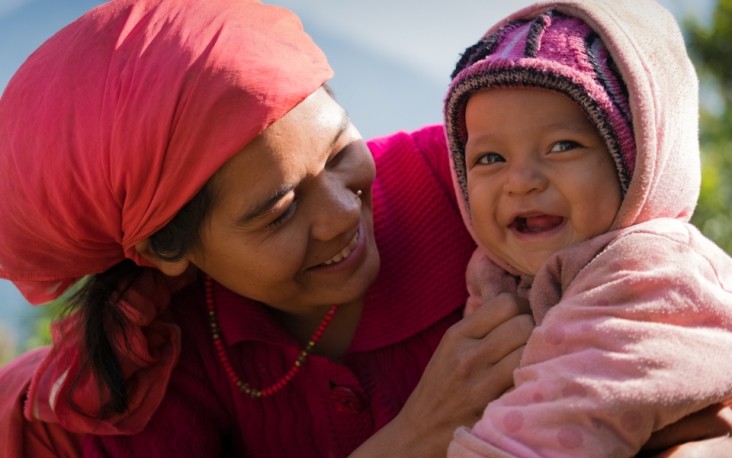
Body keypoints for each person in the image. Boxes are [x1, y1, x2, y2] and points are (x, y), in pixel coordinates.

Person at [0, 0, 727, 457]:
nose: (345, 214)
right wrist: (413, 438)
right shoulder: (155, 368)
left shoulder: (491, 183)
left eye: (342, 152)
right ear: (168, 251)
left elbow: (669, 339)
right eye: (280, 211)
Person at [443, 0, 732, 456]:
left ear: (642, 160)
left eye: (562, 146)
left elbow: (555, 421)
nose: (520, 181)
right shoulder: (500, 275)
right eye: (490, 158)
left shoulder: (650, 271)